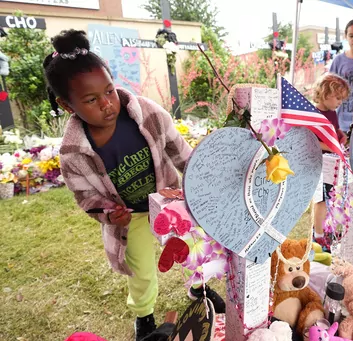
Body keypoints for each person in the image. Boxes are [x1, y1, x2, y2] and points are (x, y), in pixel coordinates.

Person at [43, 29, 224, 341]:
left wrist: (199, 184)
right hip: (133, 217)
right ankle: (144, 316)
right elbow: (85, 196)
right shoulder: (74, 152)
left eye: (109, 91)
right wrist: (109, 214)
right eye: (91, 99)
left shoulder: (146, 113)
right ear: (67, 105)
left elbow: (179, 150)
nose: (106, 104)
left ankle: (199, 289)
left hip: (170, 201)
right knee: (141, 270)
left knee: (194, 249)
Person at [311, 73, 350, 251]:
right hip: (316, 162)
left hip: (330, 163)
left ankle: (326, 230)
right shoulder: (313, 114)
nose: (340, 102)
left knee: (331, 198)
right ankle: (318, 235)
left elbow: (333, 130)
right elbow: (309, 141)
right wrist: (329, 145)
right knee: (321, 200)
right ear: (325, 94)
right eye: (338, 98)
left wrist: (340, 134)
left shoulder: (332, 113)